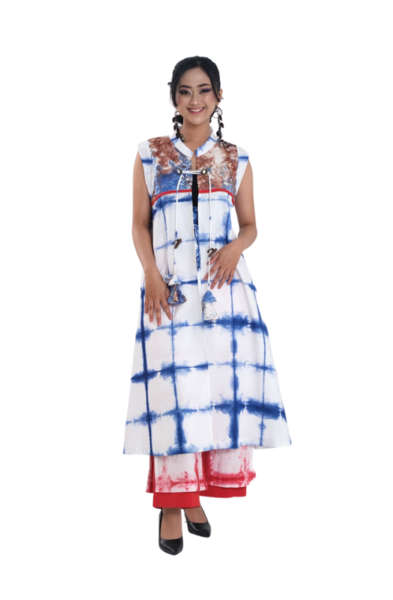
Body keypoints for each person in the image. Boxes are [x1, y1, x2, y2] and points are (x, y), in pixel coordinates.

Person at [123, 56, 292, 555]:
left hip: (226, 296)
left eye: (203, 90)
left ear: (218, 96)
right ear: (173, 97)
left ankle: (194, 495)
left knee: (215, 395)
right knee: (173, 397)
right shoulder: (151, 154)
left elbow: (250, 225)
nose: (194, 100)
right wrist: (150, 274)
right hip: (168, 295)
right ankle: (173, 505)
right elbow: (138, 223)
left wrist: (237, 247)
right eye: (185, 91)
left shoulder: (236, 158)